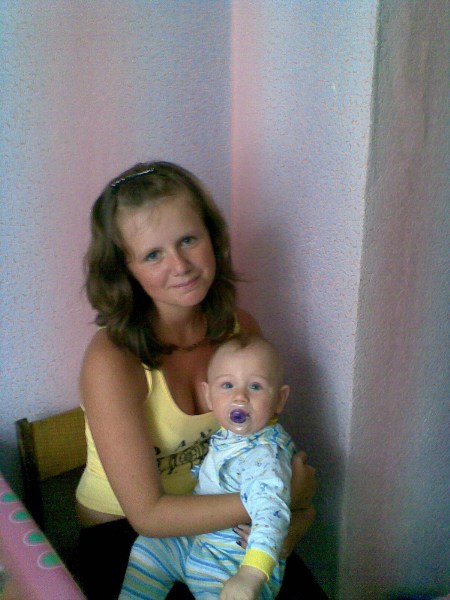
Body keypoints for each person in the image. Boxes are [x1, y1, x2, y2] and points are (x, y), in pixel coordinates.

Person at [74, 161, 317, 599]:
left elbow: (263, 445)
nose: (181, 265)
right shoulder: (112, 360)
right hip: (123, 534)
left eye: (188, 239)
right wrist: (277, 500)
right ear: (125, 269)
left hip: (224, 516)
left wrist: (294, 522)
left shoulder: (240, 331)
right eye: (153, 255)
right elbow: (148, 516)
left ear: (212, 237)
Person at [120, 333, 297, 600]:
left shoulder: (265, 454)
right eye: (227, 385)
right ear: (209, 396)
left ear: (280, 400)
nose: (240, 397)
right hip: (196, 540)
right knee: (148, 549)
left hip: (232, 560)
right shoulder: (229, 434)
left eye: (255, 386)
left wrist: (250, 574)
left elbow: (272, 513)